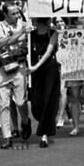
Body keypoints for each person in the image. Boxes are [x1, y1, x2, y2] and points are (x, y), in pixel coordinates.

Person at [0, 2, 31, 150]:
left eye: (17, 13)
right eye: (13, 14)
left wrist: (16, 36)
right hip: (2, 69)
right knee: (4, 104)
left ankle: (25, 121)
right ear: (5, 15)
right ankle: (7, 136)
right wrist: (19, 34)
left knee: (20, 102)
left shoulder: (25, 24)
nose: (16, 16)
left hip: (19, 67)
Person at [27, 15, 61, 148]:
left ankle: (44, 135)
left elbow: (48, 52)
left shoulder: (52, 33)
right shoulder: (31, 35)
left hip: (49, 68)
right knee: (35, 104)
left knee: (47, 99)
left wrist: (36, 66)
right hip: (35, 70)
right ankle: (45, 123)